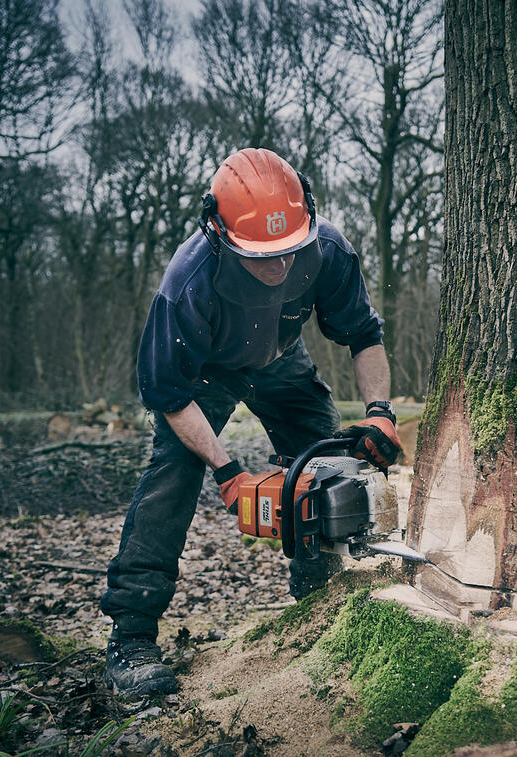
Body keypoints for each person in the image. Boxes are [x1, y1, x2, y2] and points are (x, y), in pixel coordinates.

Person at [100, 147, 402, 696]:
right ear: (219, 232)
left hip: (281, 357)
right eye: (263, 255)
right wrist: (226, 470)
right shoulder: (189, 282)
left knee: (326, 461)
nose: (280, 265)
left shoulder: (327, 248)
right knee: (173, 472)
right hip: (205, 376)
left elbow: (364, 334)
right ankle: (131, 634)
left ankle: (319, 591)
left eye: (290, 250)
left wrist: (380, 414)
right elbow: (167, 394)